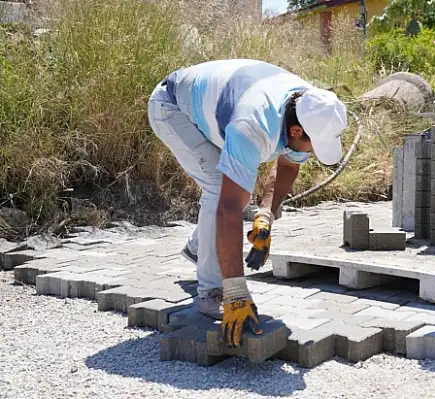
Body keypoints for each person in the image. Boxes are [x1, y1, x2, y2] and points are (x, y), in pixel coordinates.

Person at [147, 59, 347, 346]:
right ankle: (212, 292)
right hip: (171, 106)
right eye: (314, 145)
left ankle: (200, 248)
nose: (313, 153)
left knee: (231, 189)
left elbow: (289, 165)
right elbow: (229, 210)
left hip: (218, 108)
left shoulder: (308, 105)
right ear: (295, 132)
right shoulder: (253, 125)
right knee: (220, 188)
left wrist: (266, 214)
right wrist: (236, 292)